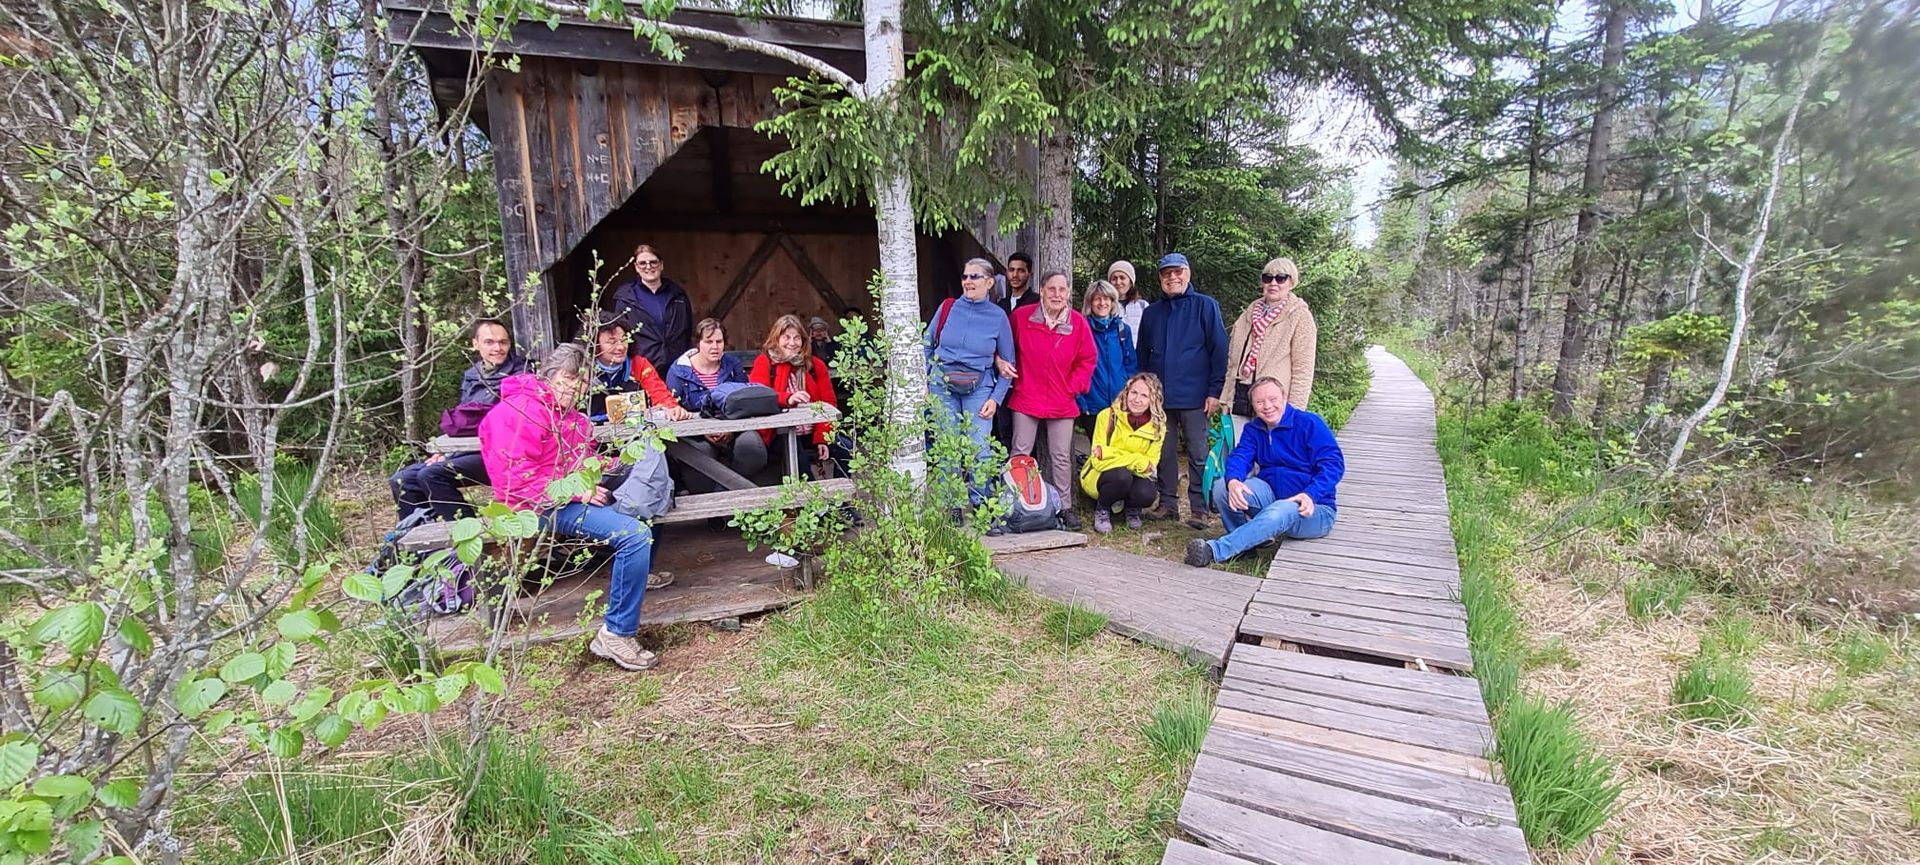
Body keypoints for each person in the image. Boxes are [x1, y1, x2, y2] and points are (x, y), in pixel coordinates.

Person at [479, 344, 663, 671]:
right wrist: (578, 491)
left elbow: (581, 461)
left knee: (647, 495)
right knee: (634, 535)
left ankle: (635, 587)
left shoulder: (574, 418)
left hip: (566, 497)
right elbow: (516, 482)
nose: (574, 388)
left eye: (582, 382)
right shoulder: (518, 412)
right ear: (549, 376)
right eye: (568, 379)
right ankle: (616, 633)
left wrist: (619, 463)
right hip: (530, 508)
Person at [1185, 377, 1343, 569]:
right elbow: (1239, 457)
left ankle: (1216, 550)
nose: (1267, 406)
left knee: (1282, 508)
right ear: (1253, 405)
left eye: (1273, 399)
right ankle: (1246, 545)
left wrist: (1311, 494)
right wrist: (1233, 480)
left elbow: (1333, 464)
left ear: (1284, 398)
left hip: (1313, 508)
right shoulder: (1254, 429)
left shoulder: (1309, 423)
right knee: (1222, 488)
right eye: (1260, 402)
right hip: (1272, 497)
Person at [389, 318, 527, 521]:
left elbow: (505, 425)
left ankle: (468, 532)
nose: (498, 348)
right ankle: (420, 533)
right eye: (489, 342)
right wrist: (446, 452)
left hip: (500, 454)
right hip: (467, 450)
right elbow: (464, 422)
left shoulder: (521, 375)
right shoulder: (471, 375)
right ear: (475, 344)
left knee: (432, 475)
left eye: (503, 342)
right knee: (402, 480)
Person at [1136, 252, 1228, 529]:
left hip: (1196, 397)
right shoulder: (1152, 313)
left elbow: (1219, 350)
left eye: (1178, 272)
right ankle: (1167, 503)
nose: (1172, 277)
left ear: (1188, 274)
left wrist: (1214, 391)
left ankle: (1199, 508)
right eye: (1167, 273)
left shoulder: (1205, 306)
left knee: (1198, 454)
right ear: (1160, 278)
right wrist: (1143, 391)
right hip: (1159, 398)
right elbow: (1142, 354)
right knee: (1163, 452)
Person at [1006, 271, 1097, 530]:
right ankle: (1016, 505)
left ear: (1068, 293)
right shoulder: (1022, 317)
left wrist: (1073, 387)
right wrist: (1004, 365)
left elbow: (1088, 359)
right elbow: (1005, 346)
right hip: (1027, 395)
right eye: (1051, 289)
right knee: (1020, 453)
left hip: (1062, 400)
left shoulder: (1078, 323)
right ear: (1042, 291)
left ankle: (1064, 508)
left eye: (1062, 290)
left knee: (1061, 457)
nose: (1057, 294)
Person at [925, 258, 1017, 506]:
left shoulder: (998, 316)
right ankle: (951, 505)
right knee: (948, 449)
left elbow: (1008, 365)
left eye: (974, 276)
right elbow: (927, 344)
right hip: (942, 386)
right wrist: (925, 380)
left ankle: (980, 502)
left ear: (989, 282)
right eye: (965, 276)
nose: (968, 281)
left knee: (979, 449)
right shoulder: (948, 307)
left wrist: (995, 399)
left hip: (979, 389)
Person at [666, 318, 769, 486]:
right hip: (695, 434)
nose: (715, 347)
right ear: (698, 343)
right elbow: (673, 409)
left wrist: (730, 430)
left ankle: (727, 492)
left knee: (751, 447)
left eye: (719, 341)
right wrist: (704, 431)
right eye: (708, 342)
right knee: (700, 454)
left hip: (734, 428)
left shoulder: (733, 365)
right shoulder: (678, 371)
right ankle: (717, 498)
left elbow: (745, 403)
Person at [1221, 257, 1317, 435]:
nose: (1273, 283)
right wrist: (1227, 398)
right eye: (1268, 278)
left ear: (1291, 282)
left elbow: (1303, 369)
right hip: (1242, 398)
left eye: (1281, 278)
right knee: (1241, 449)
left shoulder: (1300, 317)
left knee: (1272, 450)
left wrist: (1295, 411)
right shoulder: (1248, 315)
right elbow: (1233, 361)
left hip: (1275, 404)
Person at [750, 315, 837, 478]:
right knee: (797, 458)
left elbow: (829, 404)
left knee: (846, 448)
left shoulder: (816, 365)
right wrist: (787, 399)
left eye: (797, 338)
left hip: (813, 430)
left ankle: (843, 491)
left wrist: (822, 438)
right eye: (786, 337)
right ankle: (812, 494)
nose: (792, 343)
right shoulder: (765, 362)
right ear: (776, 339)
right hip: (779, 432)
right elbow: (758, 398)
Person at [1079, 373, 1166, 534]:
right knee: (1121, 476)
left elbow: (1150, 466)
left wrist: (1111, 454)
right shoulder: (1107, 416)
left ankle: (1131, 509)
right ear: (1126, 392)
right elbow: (1098, 459)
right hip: (1099, 476)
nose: (1137, 399)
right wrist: (1137, 459)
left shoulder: (1158, 426)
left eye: (1144, 396)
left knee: (1148, 493)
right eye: (1134, 393)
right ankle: (1102, 509)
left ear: (1153, 400)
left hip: (1133, 476)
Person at [606, 243, 693, 371]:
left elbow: (687, 331)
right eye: (642, 263)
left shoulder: (678, 295)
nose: (648, 267)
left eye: (653, 262)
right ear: (636, 267)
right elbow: (621, 336)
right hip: (643, 367)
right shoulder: (625, 298)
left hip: (676, 366)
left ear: (661, 265)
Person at [588, 319, 690, 423]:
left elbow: (659, 394)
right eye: (612, 342)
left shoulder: (639, 365)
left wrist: (672, 408)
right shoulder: (584, 368)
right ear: (594, 344)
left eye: (624, 340)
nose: (621, 347)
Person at [1076, 278, 1138, 428]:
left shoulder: (1123, 330)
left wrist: (1129, 396)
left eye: (1107, 298)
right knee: (1097, 443)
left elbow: (1131, 366)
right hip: (1092, 404)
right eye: (1097, 299)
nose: (1102, 303)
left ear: (1112, 302)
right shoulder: (1081, 329)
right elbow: (1073, 366)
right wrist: (1081, 401)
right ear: (1090, 302)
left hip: (1120, 404)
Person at [1108, 260, 1149, 347]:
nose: (1118, 282)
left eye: (1122, 278)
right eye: (1114, 278)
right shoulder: (1105, 307)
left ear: (1130, 282)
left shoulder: (1143, 306)